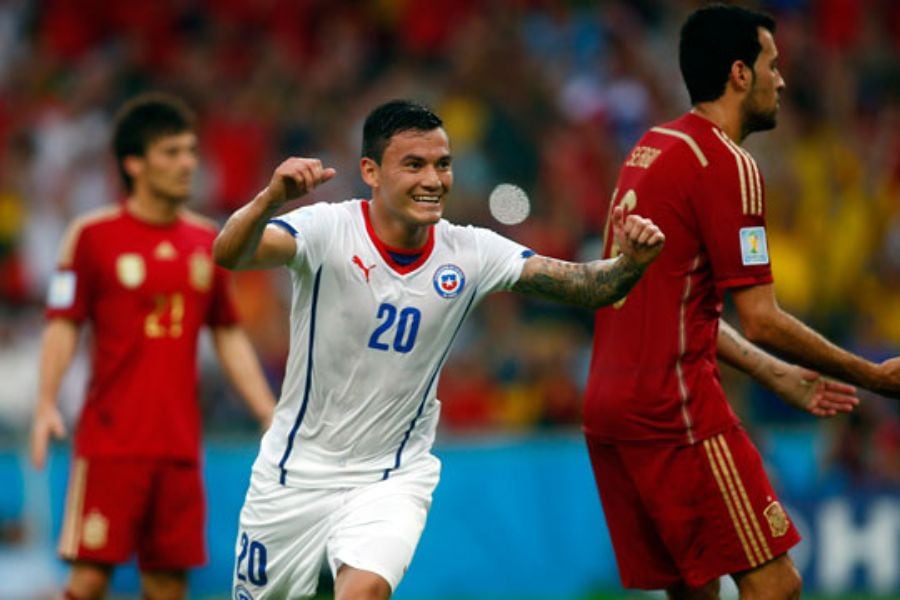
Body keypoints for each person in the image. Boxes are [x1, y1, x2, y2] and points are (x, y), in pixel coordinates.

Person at [212, 99, 666, 599]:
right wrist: (270, 199)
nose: (433, 179)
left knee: (362, 592)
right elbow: (231, 253)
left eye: (442, 164)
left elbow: (586, 285)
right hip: (293, 475)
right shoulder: (328, 229)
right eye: (414, 164)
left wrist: (631, 264)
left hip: (390, 476)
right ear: (371, 171)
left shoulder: (470, 251)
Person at [584, 4, 898, 599]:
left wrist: (776, 374)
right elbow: (762, 320)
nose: (782, 80)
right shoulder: (728, 163)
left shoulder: (650, 149)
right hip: (673, 410)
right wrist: (874, 376)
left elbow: (675, 303)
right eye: (772, 66)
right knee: (774, 585)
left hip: (607, 411)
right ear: (739, 74)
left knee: (692, 591)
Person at [29, 93, 276, 600]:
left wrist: (266, 409)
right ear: (133, 163)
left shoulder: (208, 240)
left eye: (190, 151)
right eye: (171, 152)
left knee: (167, 585)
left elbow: (226, 331)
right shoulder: (92, 236)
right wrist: (46, 404)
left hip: (180, 446)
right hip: (110, 444)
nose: (187, 163)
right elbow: (62, 326)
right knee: (90, 579)